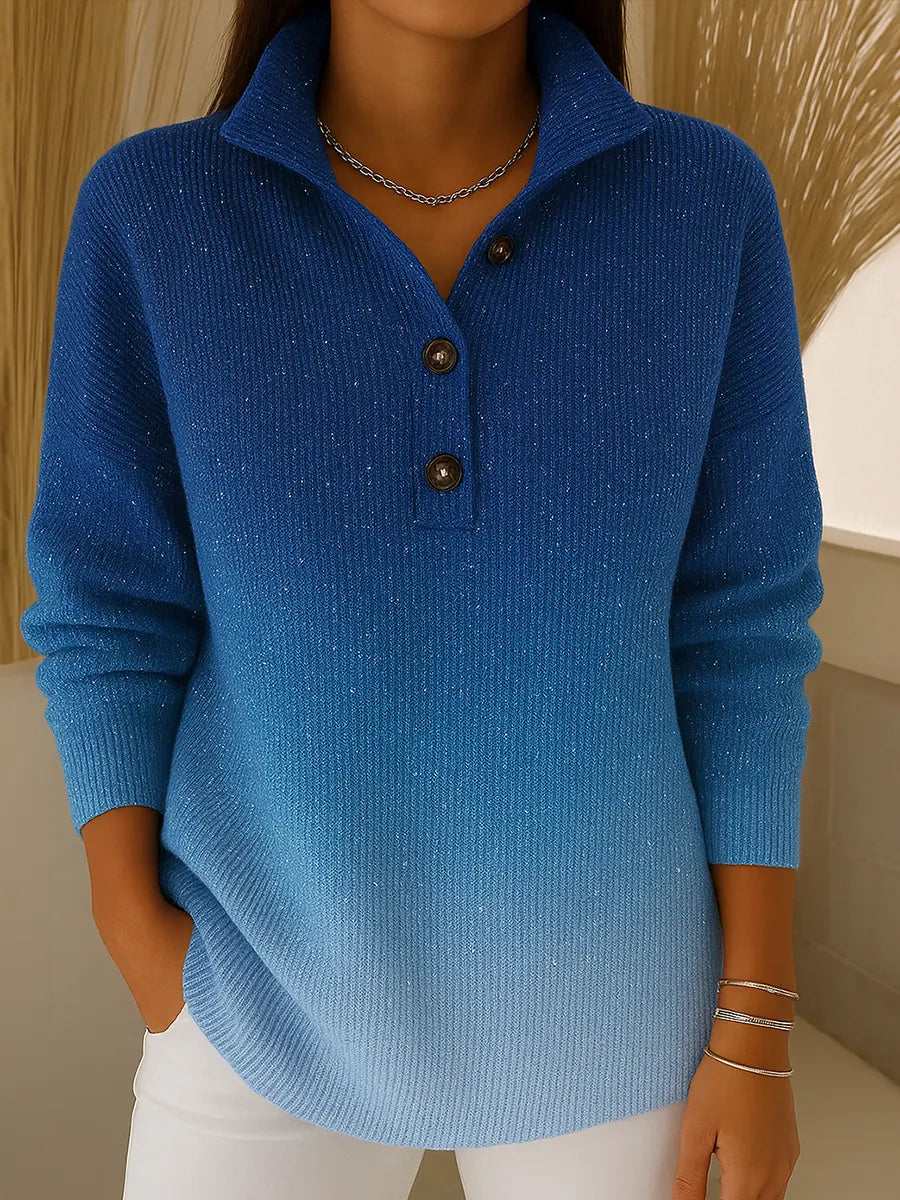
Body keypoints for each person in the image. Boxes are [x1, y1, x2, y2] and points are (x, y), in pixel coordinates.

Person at [20, 0, 824, 1196]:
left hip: (621, 1011)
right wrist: (139, 938)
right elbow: (109, 605)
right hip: (251, 1001)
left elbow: (740, 624)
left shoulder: (707, 202)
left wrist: (755, 1023)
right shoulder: (156, 212)